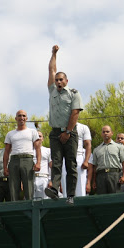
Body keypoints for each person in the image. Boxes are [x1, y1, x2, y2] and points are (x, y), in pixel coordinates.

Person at [45, 45, 83, 205]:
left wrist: (67, 132)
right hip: (55, 132)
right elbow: (51, 70)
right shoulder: (52, 90)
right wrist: (54, 54)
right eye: (57, 79)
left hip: (70, 133)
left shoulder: (74, 93)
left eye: (61, 79)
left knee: (71, 163)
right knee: (56, 161)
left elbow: (75, 113)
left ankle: (71, 195)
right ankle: (54, 188)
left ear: (66, 81)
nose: (58, 81)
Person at [4, 110, 41, 200]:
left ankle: (30, 208)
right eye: (19, 116)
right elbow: (6, 152)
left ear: (26, 118)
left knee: (28, 187)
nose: (22, 118)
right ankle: (15, 209)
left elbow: (37, 148)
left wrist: (38, 163)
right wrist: (5, 167)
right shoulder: (10, 134)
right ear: (16, 118)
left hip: (27, 159)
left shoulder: (32, 132)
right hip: (14, 160)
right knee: (13, 188)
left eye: (24, 116)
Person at [91, 125, 124, 194]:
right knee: (102, 199)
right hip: (101, 176)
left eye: (107, 131)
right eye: (104, 132)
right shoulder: (96, 150)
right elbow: (95, 167)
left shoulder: (119, 147)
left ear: (112, 133)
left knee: (115, 198)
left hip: (114, 175)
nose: (105, 133)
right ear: (101, 134)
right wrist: (94, 181)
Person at [61, 122, 92, 197]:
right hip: (65, 157)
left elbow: (88, 144)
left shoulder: (83, 127)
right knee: (66, 187)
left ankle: (81, 207)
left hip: (78, 157)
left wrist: (86, 161)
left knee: (80, 187)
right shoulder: (62, 127)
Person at [33, 131, 52, 199]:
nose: (38, 138)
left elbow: (51, 167)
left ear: (43, 139)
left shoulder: (48, 150)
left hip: (44, 178)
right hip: (31, 179)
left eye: (40, 136)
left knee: (44, 202)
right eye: (36, 136)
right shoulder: (29, 151)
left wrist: (51, 180)